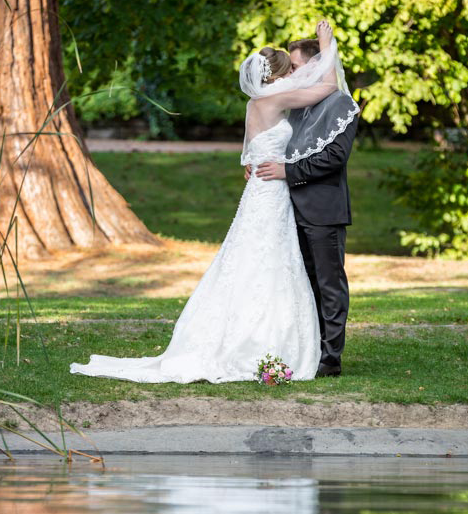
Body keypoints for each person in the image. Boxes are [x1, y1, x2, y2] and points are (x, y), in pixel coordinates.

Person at [69, 23, 353, 384]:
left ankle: (261, 340)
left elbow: (249, 153)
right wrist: (328, 45)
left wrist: (252, 165)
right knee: (267, 266)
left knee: (255, 264)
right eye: (293, 71)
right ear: (280, 77)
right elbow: (328, 85)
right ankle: (264, 343)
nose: (299, 76)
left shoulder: (257, 104)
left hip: (265, 193)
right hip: (273, 192)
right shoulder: (277, 100)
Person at [253, 22, 360, 377]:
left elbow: (333, 158)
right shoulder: (296, 105)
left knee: (328, 283)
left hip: (322, 210)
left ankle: (331, 357)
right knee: (301, 283)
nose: (290, 75)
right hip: (286, 210)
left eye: (296, 68)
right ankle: (306, 348)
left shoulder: (341, 103)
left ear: (317, 64)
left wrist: (287, 171)